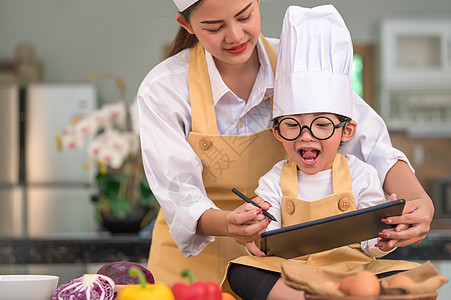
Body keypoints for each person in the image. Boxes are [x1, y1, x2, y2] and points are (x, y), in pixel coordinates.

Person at [137, 0, 433, 285]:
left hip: (283, 273)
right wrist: (228, 222)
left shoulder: (300, 63)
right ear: (185, 24)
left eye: (244, 16)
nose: (235, 35)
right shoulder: (165, 88)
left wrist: (419, 202)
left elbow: (374, 148)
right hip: (193, 269)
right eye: (214, 27)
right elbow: (179, 193)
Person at [224, 6, 420, 299]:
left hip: (353, 271)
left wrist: (383, 237)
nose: (306, 136)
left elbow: (370, 243)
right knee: (241, 270)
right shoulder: (274, 179)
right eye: (293, 126)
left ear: (346, 131)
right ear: (278, 132)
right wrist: (257, 228)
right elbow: (267, 236)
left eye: (322, 125)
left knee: (406, 273)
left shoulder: (362, 175)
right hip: (293, 274)